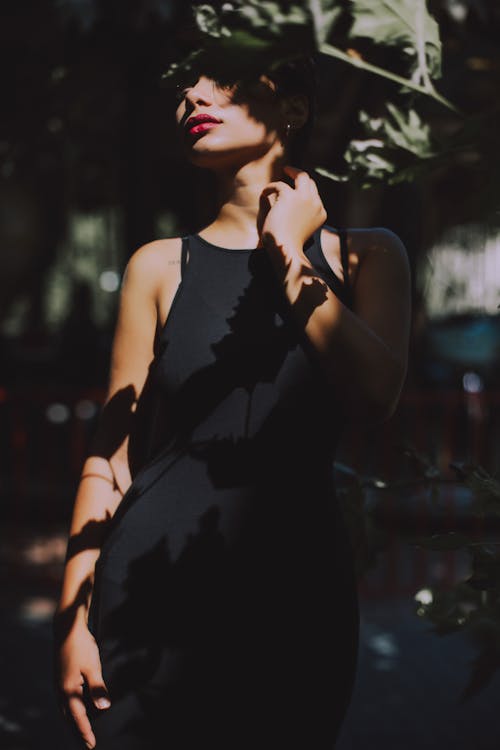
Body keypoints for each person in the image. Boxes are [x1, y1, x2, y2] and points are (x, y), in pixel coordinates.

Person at [54, 55, 411, 750]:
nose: (192, 93)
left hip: (298, 592)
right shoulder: (157, 266)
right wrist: (71, 619)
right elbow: (112, 454)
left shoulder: (370, 258)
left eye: (220, 79)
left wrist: (286, 253)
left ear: (295, 110)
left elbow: (377, 396)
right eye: (185, 85)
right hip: (151, 587)